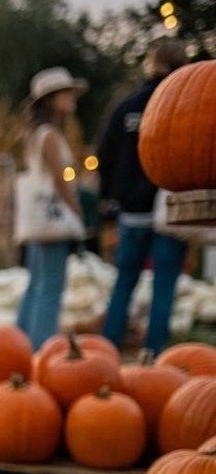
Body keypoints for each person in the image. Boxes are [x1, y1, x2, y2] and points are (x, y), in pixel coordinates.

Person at [97, 40, 190, 354]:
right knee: (163, 286)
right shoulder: (183, 107)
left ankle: (108, 348)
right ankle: (154, 354)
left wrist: (111, 198)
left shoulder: (126, 108)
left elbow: (105, 155)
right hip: (170, 210)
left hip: (131, 212)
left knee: (125, 282)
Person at [16, 67, 87, 349]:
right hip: (52, 218)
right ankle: (40, 349)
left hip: (36, 218)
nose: (72, 97)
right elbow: (59, 179)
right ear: (50, 99)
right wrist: (76, 210)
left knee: (36, 282)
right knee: (51, 287)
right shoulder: (50, 136)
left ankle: (19, 343)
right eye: (66, 92)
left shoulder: (33, 134)